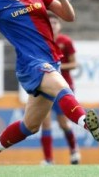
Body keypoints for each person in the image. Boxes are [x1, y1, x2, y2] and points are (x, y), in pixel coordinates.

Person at [0, 0, 99, 176]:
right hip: (30, 64)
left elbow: (69, 17)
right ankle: (85, 121)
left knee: (30, 126)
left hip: (51, 60)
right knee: (62, 86)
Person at [40, 12, 80, 165]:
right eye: (49, 23)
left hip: (63, 87)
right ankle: (48, 160)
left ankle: (74, 151)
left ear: (59, 25)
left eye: (55, 23)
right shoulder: (41, 41)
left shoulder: (66, 41)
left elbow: (74, 63)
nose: (52, 25)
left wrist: (56, 67)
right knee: (45, 123)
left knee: (63, 123)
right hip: (45, 87)